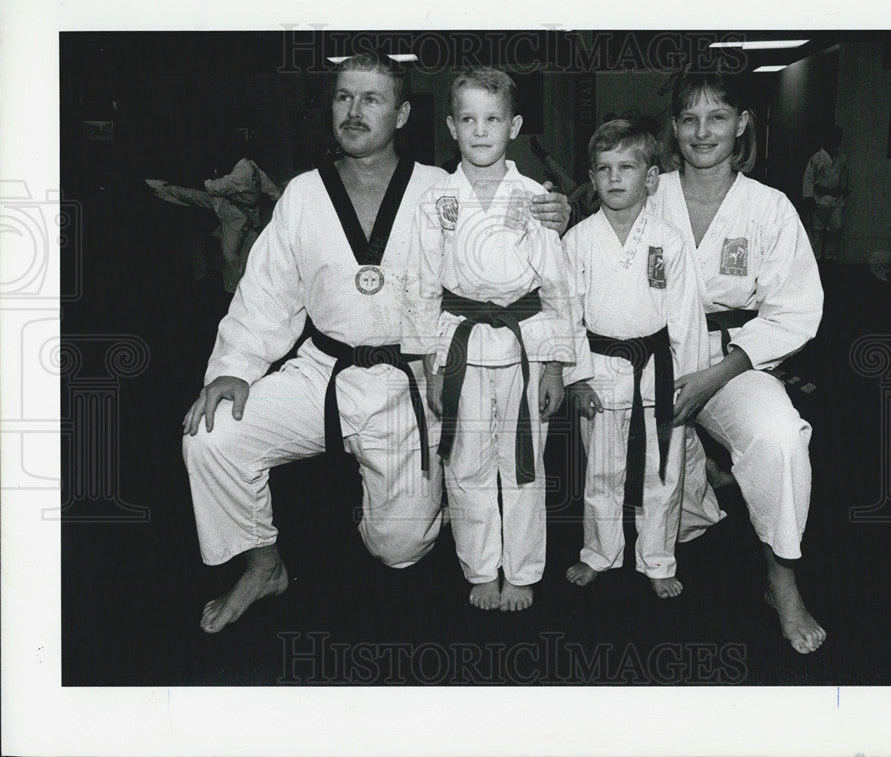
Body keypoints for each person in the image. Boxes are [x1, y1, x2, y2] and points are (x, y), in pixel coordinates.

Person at [181, 54, 571, 634]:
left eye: (372, 99)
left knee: (402, 549)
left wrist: (553, 215)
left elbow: (516, 260)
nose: (354, 111)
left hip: (411, 379)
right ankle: (263, 564)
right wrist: (233, 368)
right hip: (323, 370)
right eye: (344, 97)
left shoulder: (446, 188)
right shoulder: (303, 194)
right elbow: (265, 294)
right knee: (213, 436)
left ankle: (393, 498)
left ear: (404, 113)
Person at [647, 67, 827, 653]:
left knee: (780, 440)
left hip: (731, 362)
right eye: (690, 119)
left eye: (717, 117)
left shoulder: (768, 208)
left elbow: (795, 310)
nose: (703, 132)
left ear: (741, 124)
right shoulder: (644, 194)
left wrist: (716, 377)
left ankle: (782, 577)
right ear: (673, 129)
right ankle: (704, 473)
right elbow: (582, 249)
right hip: (646, 357)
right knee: (643, 510)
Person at [403, 67, 590, 612]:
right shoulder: (437, 199)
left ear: (514, 125)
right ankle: (481, 567)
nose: (480, 130)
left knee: (524, 462)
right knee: (467, 464)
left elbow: (557, 286)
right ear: (451, 127)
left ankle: (525, 569)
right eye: (468, 119)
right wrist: (432, 368)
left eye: (492, 119)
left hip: (524, 347)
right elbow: (420, 285)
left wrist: (556, 365)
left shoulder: (534, 198)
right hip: (459, 344)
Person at [561, 120, 708, 598]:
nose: (615, 177)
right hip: (599, 369)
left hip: (659, 371)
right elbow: (565, 316)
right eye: (603, 169)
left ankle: (658, 558)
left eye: (627, 167)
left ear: (650, 178)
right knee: (600, 470)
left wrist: (693, 379)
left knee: (661, 470)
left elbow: (686, 316)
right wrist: (575, 378)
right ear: (591, 177)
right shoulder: (577, 240)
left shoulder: (667, 239)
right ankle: (599, 553)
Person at [147, 151, 283, 293]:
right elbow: (268, 186)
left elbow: (213, 187)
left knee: (231, 255)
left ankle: (233, 290)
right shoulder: (249, 164)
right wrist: (277, 196)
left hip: (235, 216)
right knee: (190, 196)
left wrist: (278, 198)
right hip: (229, 207)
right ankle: (159, 188)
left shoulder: (240, 174)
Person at [802, 124, 849, 261]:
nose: (836, 142)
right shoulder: (817, 158)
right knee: (816, 232)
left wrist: (844, 189)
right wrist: (808, 197)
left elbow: (844, 176)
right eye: (833, 138)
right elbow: (808, 178)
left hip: (836, 200)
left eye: (838, 139)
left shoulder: (841, 158)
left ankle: (831, 259)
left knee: (836, 230)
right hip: (819, 200)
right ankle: (813, 261)